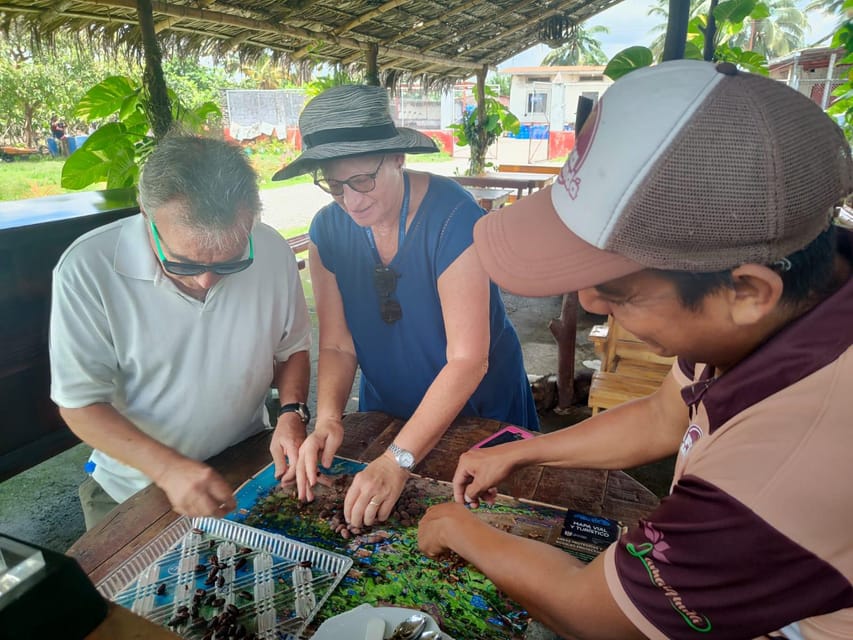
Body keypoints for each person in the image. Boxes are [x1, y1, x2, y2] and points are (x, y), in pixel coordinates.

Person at [417, 60, 853, 640]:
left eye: (619, 290)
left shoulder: (789, 456)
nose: (591, 303)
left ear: (748, 290)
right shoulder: (789, 298)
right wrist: (523, 453)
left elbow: (589, 610)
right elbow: (661, 416)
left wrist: (455, 529)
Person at [271, 85, 538, 529]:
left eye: (362, 181)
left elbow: (468, 360)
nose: (351, 201)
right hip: (390, 409)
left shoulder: (455, 219)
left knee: (488, 527)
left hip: (479, 409)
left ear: (398, 157)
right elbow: (337, 344)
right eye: (335, 186)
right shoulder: (328, 231)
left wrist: (398, 458)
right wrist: (328, 418)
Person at [50, 134, 312, 529]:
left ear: (252, 218)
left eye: (230, 263)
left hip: (246, 463)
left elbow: (291, 349)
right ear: (145, 213)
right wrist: (168, 470)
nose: (207, 281)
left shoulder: (272, 252)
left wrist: (292, 412)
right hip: (133, 487)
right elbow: (79, 404)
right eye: (184, 264)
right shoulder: (87, 269)